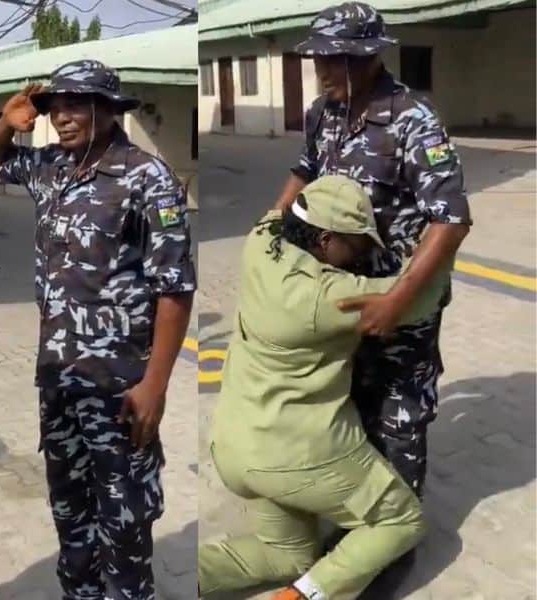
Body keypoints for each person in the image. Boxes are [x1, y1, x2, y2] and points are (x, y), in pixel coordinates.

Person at [0, 60, 195, 600]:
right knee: (70, 509)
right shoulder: (53, 166)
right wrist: (9, 121)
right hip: (59, 379)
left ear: (106, 109)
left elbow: (175, 289)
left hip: (119, 385)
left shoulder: (147, 178)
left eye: (75, 105)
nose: (62, 118)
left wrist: (156, 386)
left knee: (123, 516)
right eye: (55, 107)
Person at [199, 175, 446, 600]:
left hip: (234, 445)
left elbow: (284, 203)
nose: (363, 257)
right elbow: (422, 296)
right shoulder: (324, 296)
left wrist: (306, 167)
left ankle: (187, 577)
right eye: (360, 246)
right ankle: (304, 596)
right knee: (401, 520)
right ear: (327, 240)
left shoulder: (261, 239)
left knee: (288, 557)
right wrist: (446, 234)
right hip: (294, 454)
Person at [273, 2, 471, 510]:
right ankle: (359, 514)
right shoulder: (325, 113)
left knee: (399, 415)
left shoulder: (413, 121)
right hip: (341, 294)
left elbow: (450, 220)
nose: (320, 73)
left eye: (332, 61)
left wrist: (397, 302)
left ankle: (397, 535)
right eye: (316, 61)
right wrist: (271, 228)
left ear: (367, 59)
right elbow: (304, 172)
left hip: (401, 299)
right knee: (350, 405)